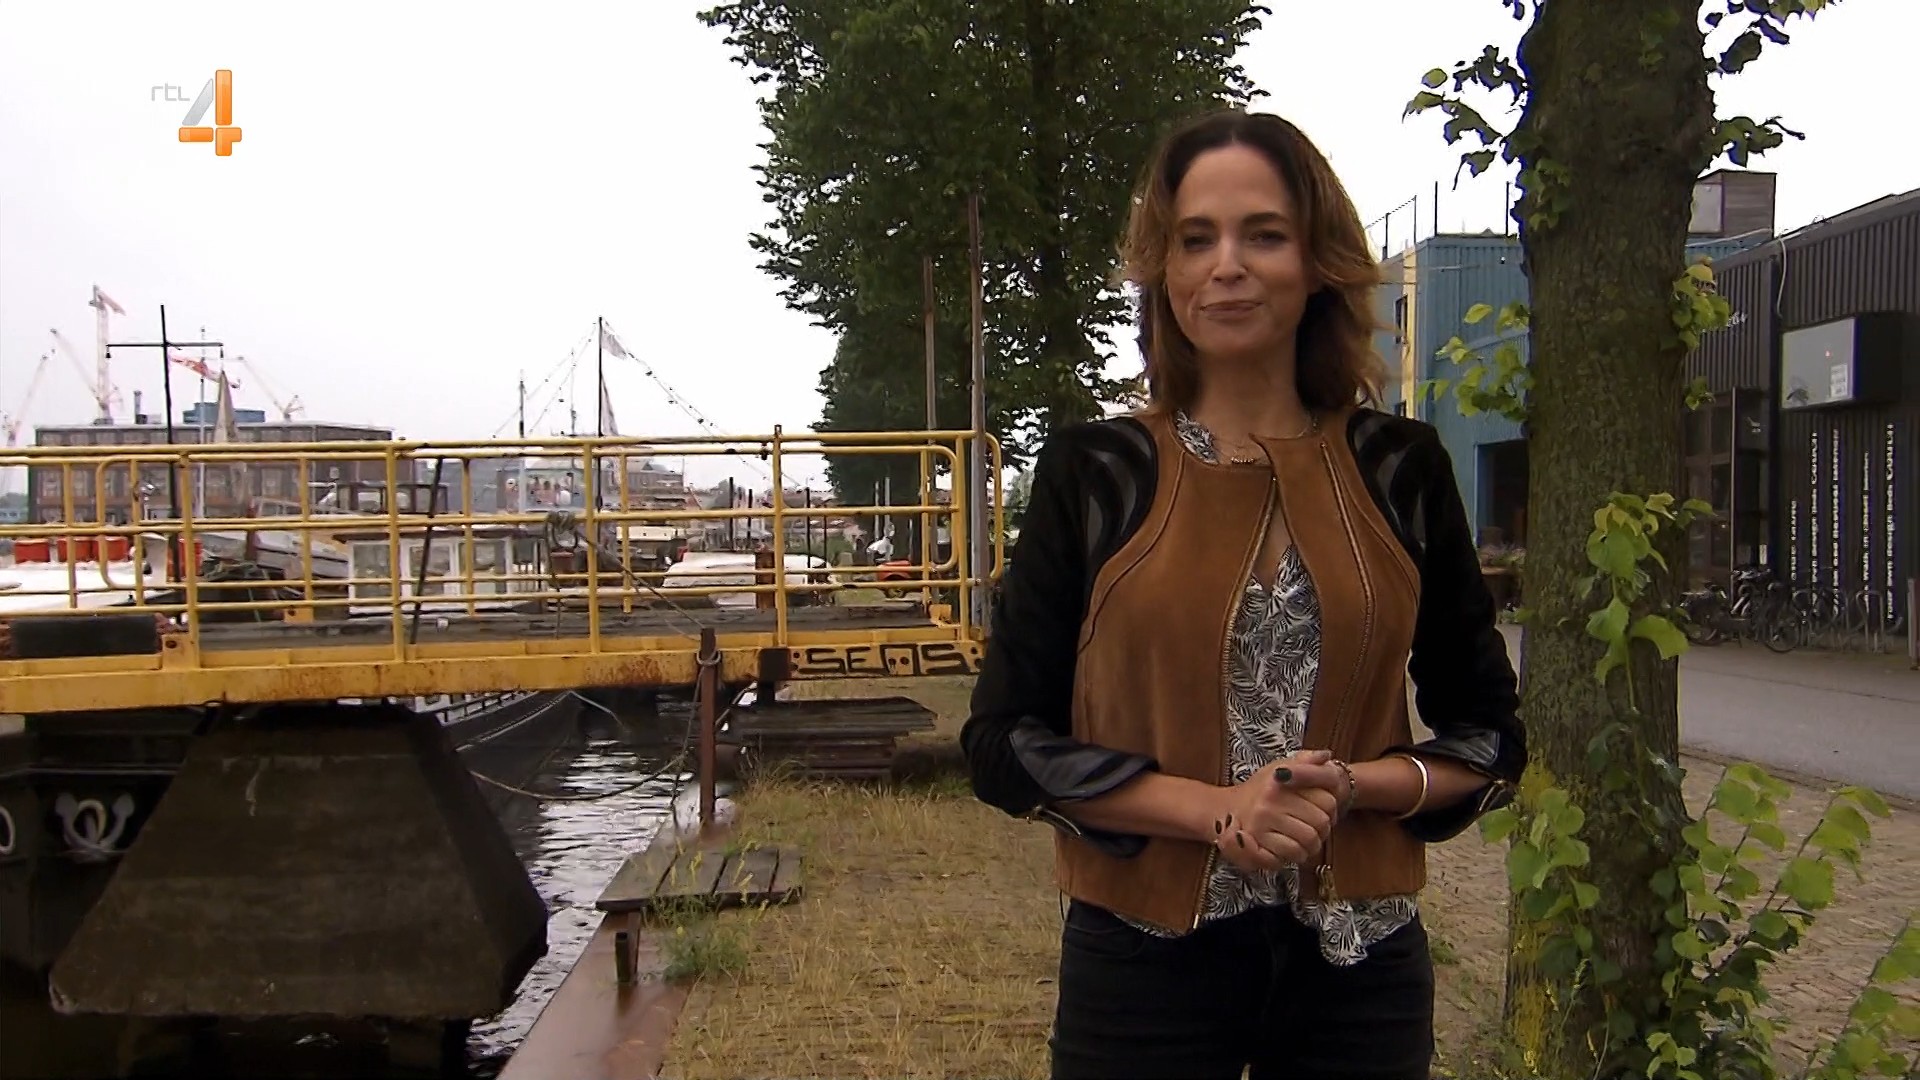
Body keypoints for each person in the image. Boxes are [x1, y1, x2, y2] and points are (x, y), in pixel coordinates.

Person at [960, 109, 1527, 1080]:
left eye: (1263, 235)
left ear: (1318, 264)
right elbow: (1004, 741)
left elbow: (1490, 736)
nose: (1226, 265)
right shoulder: (1097, 473)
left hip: (1362, 964)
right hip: (1142, 960)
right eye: (1196, 239)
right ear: (1164, 273)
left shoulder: (1400, 467)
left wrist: (1354, 788)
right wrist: (1217, 812)